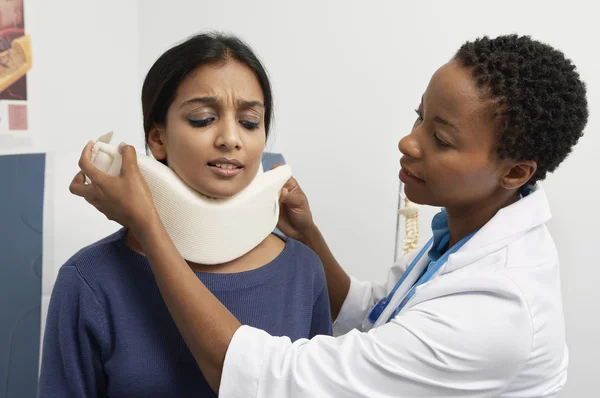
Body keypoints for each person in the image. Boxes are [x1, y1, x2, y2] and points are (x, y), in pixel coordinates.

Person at [70, 34, 588, 397]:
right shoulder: (91, 280)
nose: (408, 141)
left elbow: (276, 379)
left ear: (515, 173)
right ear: (156, 136)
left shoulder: (498, 308)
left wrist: (148, 225)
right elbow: (378, 313)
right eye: (418, 117)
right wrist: (312, 236)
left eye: (442, 139)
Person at [38, 32, 333, 398]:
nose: (230, 138)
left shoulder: (303, 271)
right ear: (158, 138)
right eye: (203, 118)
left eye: (250, 122)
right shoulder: (89, 280)